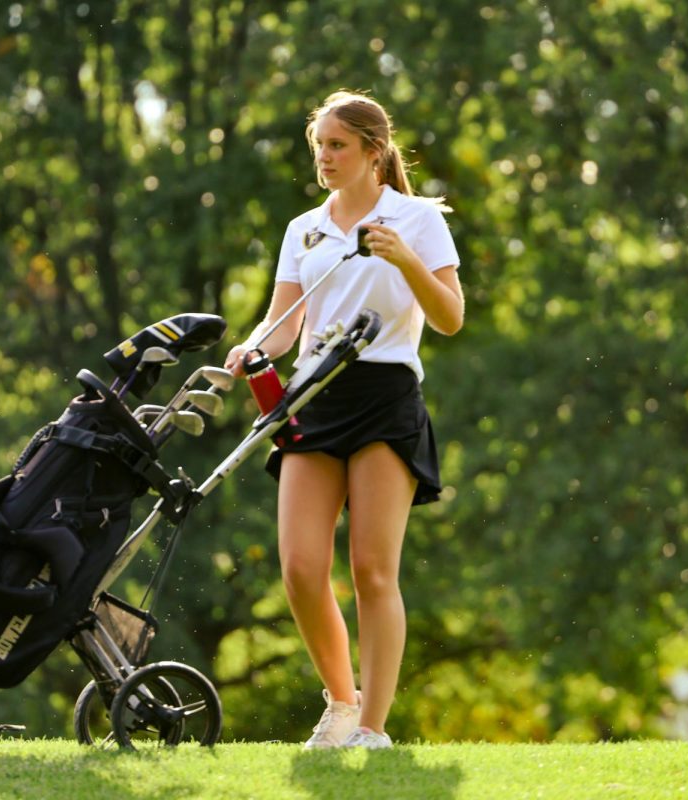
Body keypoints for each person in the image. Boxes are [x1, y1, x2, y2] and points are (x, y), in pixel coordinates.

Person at [224, 90, 463, 750]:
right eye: (319, 146)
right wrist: (252, 351)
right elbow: (283, 324)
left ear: (372, 153)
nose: (325, 158)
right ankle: (339, 701)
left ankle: (372, 728)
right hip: (312, 396)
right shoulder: (304, 228)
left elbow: (449, 318)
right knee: (301, 568)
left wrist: (404, 258)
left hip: (386, 395)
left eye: (337, 146)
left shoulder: (417, 219)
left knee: (371, 572)